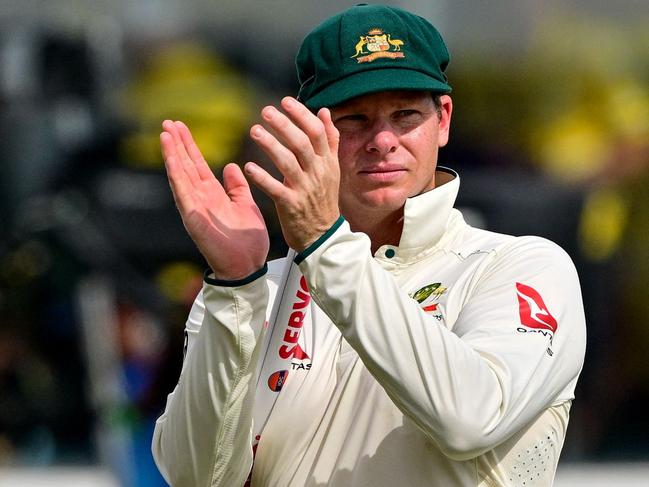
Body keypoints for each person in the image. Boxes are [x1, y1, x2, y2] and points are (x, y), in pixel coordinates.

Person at [151, 4, 586, 486]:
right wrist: (235, 286)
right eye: (353, 119)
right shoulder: (259, 290)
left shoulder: (522, 267)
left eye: (404, 114)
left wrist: (324, 246)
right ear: (312, 134)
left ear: (442, 119)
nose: (381, 140)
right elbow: (195, 478)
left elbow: (471, 419)